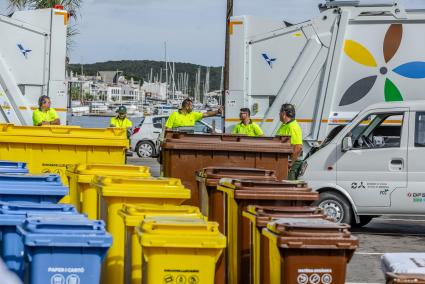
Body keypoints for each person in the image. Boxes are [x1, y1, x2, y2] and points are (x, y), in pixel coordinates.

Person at [276, 103, 303, 180]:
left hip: (291, 165)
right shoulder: (285, 125)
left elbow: (297, 147)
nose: (279, 114)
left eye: (280, 112)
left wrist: (290, 163)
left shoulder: (293, 127)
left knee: (290, 188)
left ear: (284, 113)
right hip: (284, 163)